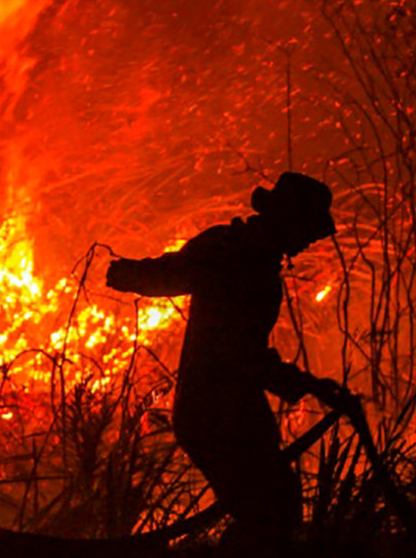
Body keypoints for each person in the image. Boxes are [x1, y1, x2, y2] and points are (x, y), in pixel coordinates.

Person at [106, 172, 349, 556]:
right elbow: (175, 276)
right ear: (288, 220)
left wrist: (310, 385)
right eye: (307, 231)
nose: (307, 243)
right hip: (214, 411)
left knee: (275, 509)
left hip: (232, 408)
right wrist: (131, 274)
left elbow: (245, 350)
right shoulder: (231, 252)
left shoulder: (256, 263)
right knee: (270, 514)